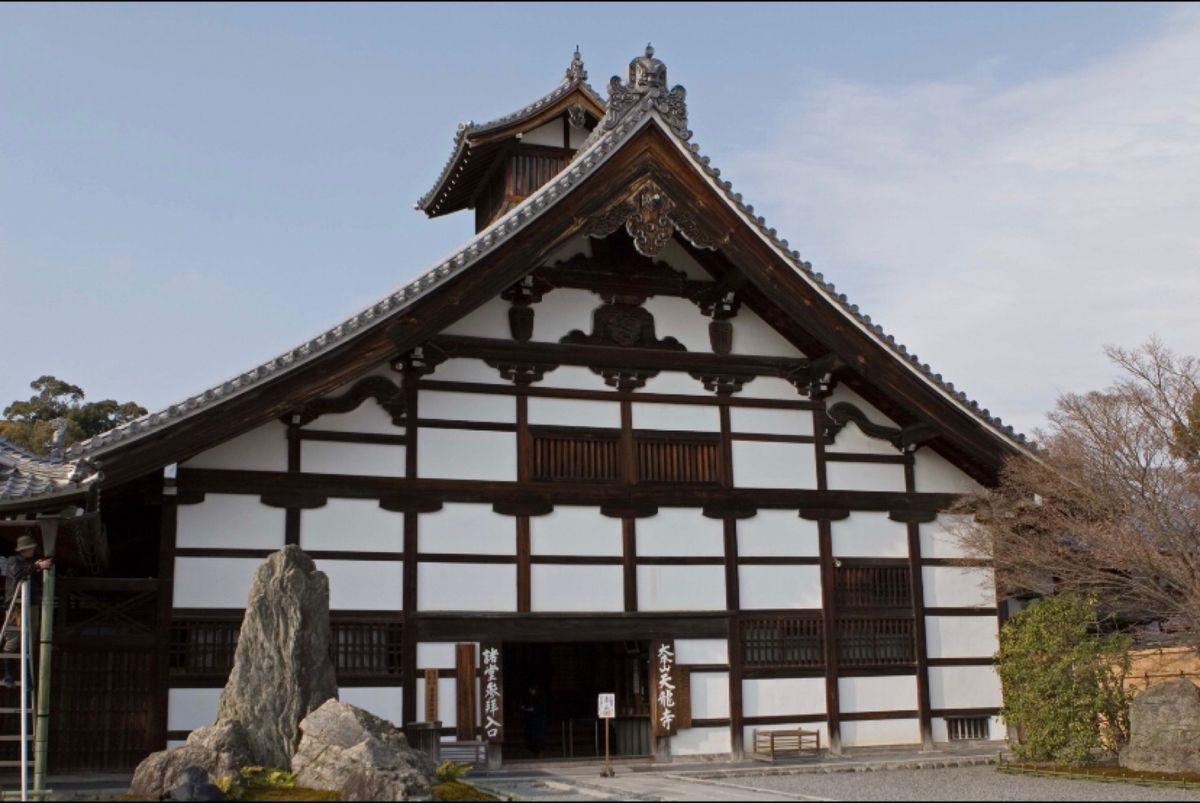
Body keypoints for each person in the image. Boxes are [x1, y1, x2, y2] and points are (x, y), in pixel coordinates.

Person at [3, 535, 51, 688]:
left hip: (31, 604)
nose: (33, 550)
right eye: (31, 548)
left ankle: (27, 678)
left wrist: (38, 565)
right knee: (13, 641)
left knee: (30, 641)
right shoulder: (13, 560)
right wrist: (37, 567)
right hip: (16, 605)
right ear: (25, 549)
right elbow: (18, 573)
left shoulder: (31, 562)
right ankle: (9, 675)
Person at [520, 684, 547, 759]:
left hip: (538, 722)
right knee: (534, 739)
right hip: (534, 722)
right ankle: (537, 754)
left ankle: (540, 754)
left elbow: (534, 709)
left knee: (538, 739)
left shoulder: (539, 698)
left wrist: (524, 709)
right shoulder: (534, 698)